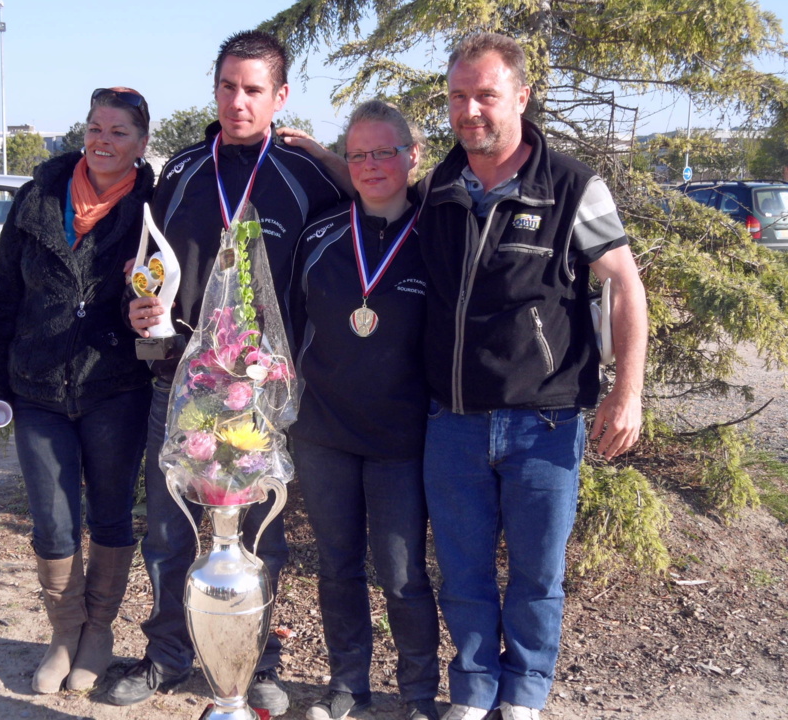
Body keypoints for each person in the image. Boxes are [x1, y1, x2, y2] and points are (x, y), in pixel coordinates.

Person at [111, 31, 343, 715]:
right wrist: (139, 304)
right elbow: (144, 264)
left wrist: (329, 153)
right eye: (227, 87)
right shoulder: (182, 170)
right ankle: (167, 654)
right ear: (213, 89)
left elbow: (359, 241)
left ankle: (256, 660)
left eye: (253, 90)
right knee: (169, 530)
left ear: (281, 96)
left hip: (263, 398)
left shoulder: (309, 174)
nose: (238, 102)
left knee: (259, 536)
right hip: (180, 389)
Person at [417, 34, 648, 720]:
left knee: (537, 577)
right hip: (452, 421)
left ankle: (524, 695)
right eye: (458, 97)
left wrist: (626, 392)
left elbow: (625, 287)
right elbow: (368, 181)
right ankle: (474, 688)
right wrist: (315, 154)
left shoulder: (573, 185)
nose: (470, 111)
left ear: (520, 96)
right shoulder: (437, 187)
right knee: (460, 574)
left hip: (544, 423)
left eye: (486, 95)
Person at [0, 87, 154, 694]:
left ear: (141, 143)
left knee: (109, 514)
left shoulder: (154, 207)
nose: (103, 141)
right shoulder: (36, 199)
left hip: (116, 386)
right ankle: (64, 631)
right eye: (95, 128)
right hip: (37, 389)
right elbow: (1, 296)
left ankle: (98, 632)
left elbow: (170, 295)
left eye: (119, 132)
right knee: (52, 523)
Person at [289, 100, 440, 720]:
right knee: (337, 565)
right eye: (357, 154)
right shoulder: (319, 235)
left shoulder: (437, 235)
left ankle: (418, 694)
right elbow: (290, 325)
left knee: (403, 576)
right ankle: (347, 684)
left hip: (403, 439)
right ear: (343, 161)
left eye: (385, 152)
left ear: (413, 156)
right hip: (323, 432)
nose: (371, 165)